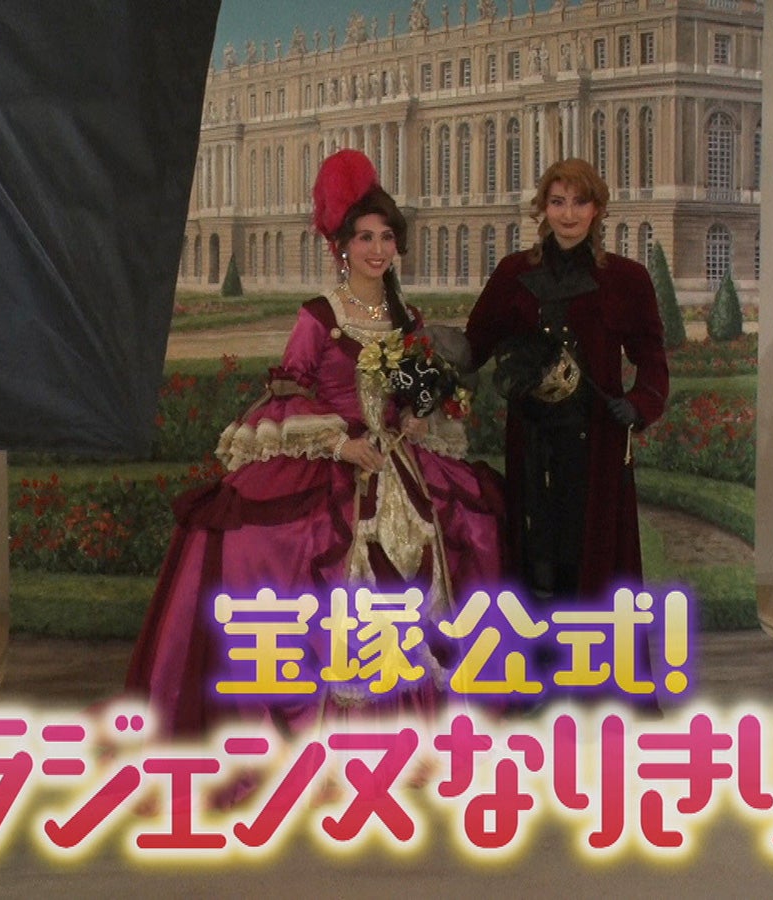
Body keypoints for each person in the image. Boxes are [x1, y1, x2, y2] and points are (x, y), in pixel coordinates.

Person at [126, 150, 503, 751]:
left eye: (386, 237)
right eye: (365, 237)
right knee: (273, 550)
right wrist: (340, 443)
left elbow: (412, 394)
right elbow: (289, 390)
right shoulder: (318, 316)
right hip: (339, 462)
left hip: (399, 465)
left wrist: (421, 412)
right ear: (342, 246)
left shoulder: (407, 316)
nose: (377, 249)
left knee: (459, 531)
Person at [463, 158, 669, 612]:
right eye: (558, 202)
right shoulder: (513, 274)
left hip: (597, 438)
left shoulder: (627, 279)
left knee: (590, 553)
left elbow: (652, 359)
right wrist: (427, 361)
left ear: (597, 209)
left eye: (579, 202)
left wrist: (639, 404)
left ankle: (590, 650)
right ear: (543, 208)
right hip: (531, 437)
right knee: (536, 549)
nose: (569, 214)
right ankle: (538, 650)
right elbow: (474, 345)